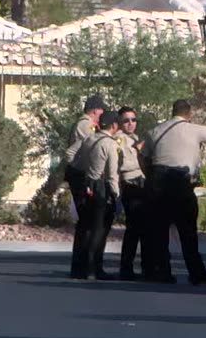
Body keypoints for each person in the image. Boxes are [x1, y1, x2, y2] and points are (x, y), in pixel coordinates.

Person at [140, 99, 206, 285]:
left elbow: (142, 154)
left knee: (159, 230)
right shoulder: (194, 129)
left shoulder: (155, 131)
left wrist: (150, 175)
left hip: (158, 183)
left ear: (173, 112)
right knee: (187, 231)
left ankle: (161, 272)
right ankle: (196, 273)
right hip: (181, 182)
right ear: (189, 113)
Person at [69, 110, 122, 281]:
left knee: (86, 226)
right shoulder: (110, 144)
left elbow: (73, 155)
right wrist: (117, 195)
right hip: (101, 187)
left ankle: (81, 267)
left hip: (87, 184)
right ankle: (94, 268)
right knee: (99, 229)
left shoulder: (89, 139)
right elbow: (112, 174)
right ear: (114, 125)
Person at [115, 106, 149, 281]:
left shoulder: (134, 138)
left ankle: (145, 265)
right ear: (120, 122)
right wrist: (138, 151)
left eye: (133, 120)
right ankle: (126, 267)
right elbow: (123, 164)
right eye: (126, 120)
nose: (130, 123)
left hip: (141, 183)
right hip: (130, 183)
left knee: (143, 227)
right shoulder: (119, 139)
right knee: (134, 228)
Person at [63, 94, 108, 226]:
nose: (102, 113)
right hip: (79, 172)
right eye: (101, 110)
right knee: (86, 216)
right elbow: (94, 144)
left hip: (81, 171)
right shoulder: (86, 125)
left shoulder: (88, 124)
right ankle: (83, 246)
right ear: (95, 110)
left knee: (87, 217)